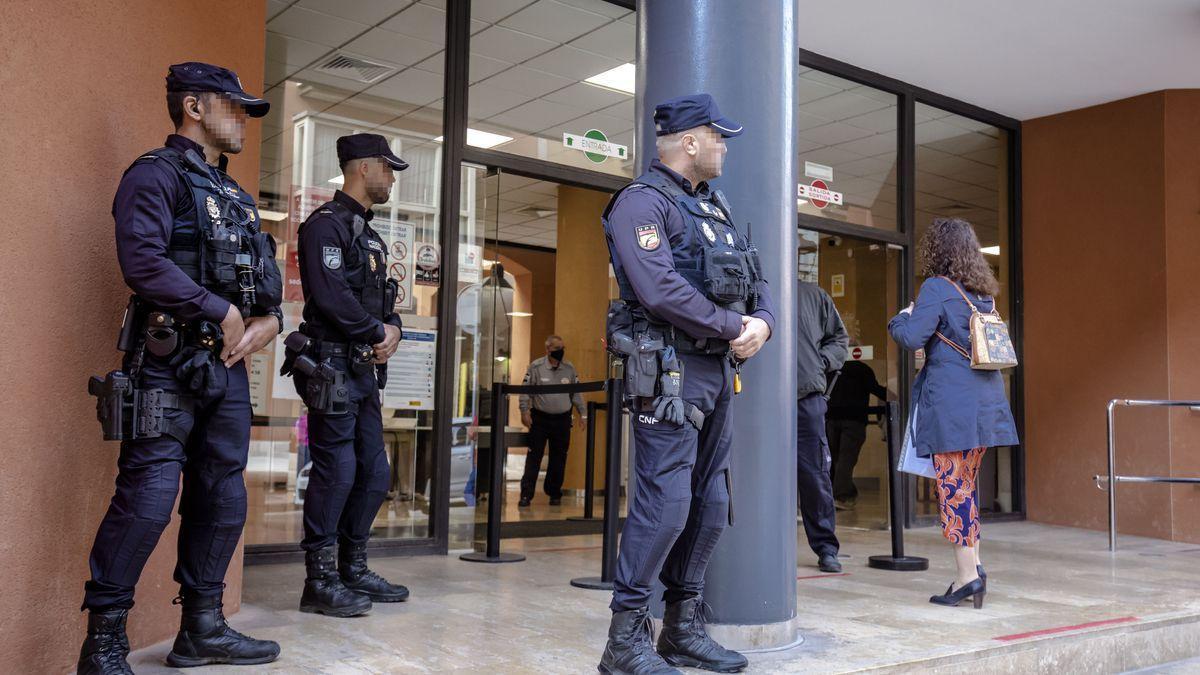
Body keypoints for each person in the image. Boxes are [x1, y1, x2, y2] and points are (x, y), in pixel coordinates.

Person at [79, 62, 283, 673]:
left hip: (228, 369)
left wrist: (270, 320)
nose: (243, 118)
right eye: (234, 106)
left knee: (222, 498)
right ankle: (104, 642)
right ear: (194, 106)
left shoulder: (237, 197)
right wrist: (217, 309)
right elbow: (141, 261)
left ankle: (202, 628)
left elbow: (266, 281)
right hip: (166, 363)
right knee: (148, 497)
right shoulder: (153, 174)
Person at [599, 93, 775, 675]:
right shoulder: (641, 204)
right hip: (670, 371)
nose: (725, 147)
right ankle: (625, 642)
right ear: (690, 142)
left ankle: (681, 628)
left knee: (710, 502)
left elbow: (757, 278)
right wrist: (734, 326)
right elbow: (657, 289)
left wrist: (764, 323)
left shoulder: (714, 208)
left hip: (717, 370)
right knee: (666, 505)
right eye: (718, 137)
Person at [282, 133, 409, 618]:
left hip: (362, 370)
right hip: (332, 367)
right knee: (336, 472)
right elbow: (332, 297)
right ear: (364, 168)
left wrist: (392, 328)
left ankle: (354, 567)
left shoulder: (368, 234)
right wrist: (378, 329)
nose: (392, 179)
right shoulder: (326, 227)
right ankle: (320, 579)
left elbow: (384, 301)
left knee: (374, 472)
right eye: (388, 169)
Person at [888, 217, 1018, 609]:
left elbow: (910, 338)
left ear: (938, 250)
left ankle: (966, 578)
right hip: (984, 408)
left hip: (951, 410)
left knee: (953, 490)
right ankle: (974, 568)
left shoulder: (936, 288)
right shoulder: (983, 295)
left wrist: (903, 315)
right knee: (966, 487)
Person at [794, 281, 848, 573]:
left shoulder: (814, 295)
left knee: (815, 476)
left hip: (806, 400)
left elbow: (839, 338)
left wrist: (819, 362)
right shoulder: (750, 289)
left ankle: (826, 547)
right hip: (758, 403)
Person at [518, 335, 586, 507]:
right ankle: (526, 495)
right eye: (557, 349)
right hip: (540, 419)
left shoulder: (569, 368)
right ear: (548, 349)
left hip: (562, 420)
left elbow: (576, 393)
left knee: (559, 458)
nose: (560, 352)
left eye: (562, 348)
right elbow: (525, 390)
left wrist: (583, 414)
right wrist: (524, 411)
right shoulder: (536, 367)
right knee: (534, 457)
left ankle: (554, 492)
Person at [826, 346, 889, 510]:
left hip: (830, 418)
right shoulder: (862, 370)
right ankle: (843, 496)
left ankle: (832, 494)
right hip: (854, 420)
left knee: (833, 458)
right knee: (847, 459)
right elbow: (876, 390)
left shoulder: (832, 369)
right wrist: (896, 394)